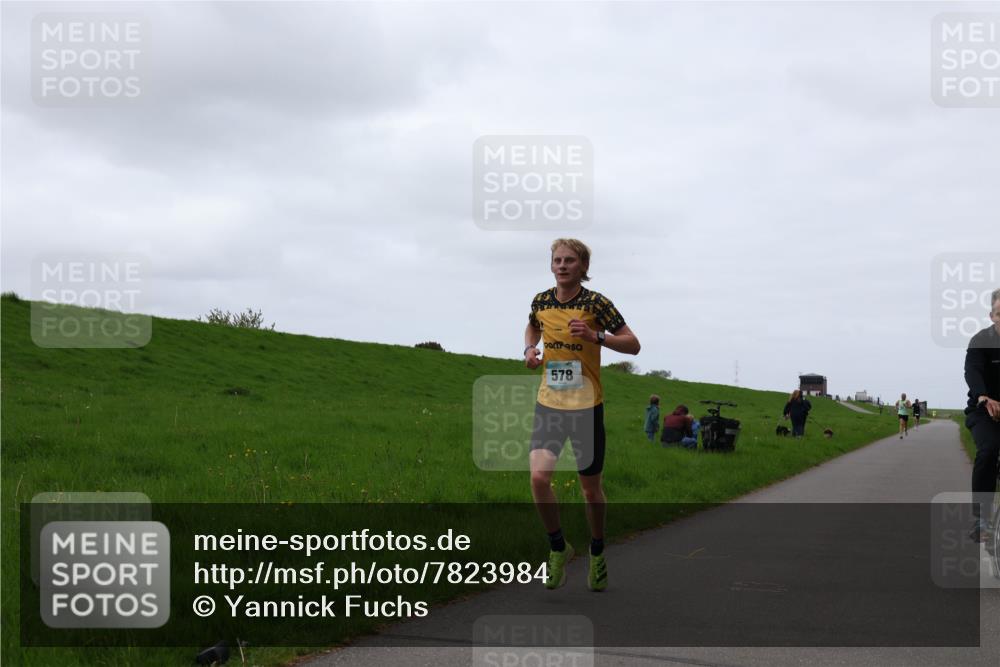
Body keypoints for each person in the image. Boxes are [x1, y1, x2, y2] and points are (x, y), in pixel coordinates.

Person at [523, 238, 640, 591]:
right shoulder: (541, 300)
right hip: (550, 404)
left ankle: (598, 551)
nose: (562, 265)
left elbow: (633, 344)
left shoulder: (597, 303)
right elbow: (532, 325)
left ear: (583, 267)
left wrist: (596, 335)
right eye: (557, 260)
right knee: (539, 479)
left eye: (569, 260)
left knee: (591, 491)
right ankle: (558, 547)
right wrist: (530, 348)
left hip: (586, 407)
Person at [964, 287, 1000, 543]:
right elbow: (972, 371)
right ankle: (981, 519)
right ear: (992, 316)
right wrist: (983, 396)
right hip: (983, 411)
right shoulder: (980, 341)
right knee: (989, 450)